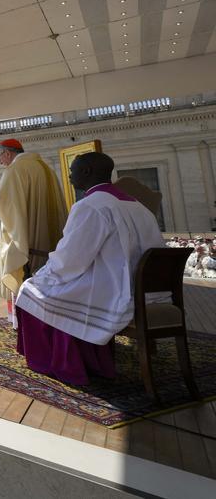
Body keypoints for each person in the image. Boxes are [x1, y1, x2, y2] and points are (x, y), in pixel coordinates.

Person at [14, 152, 164, 384]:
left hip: (115, 294)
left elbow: (69, 261)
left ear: (86, 172)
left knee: (29, 290)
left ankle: (68, 362)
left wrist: (40, 275)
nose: (70, 176)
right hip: (149, 293)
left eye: (72, 170)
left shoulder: (90, 206)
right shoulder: (139, 207)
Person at [0, 138, 67, 320]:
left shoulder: (14, 170)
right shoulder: (44, 167)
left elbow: (9, 209)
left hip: (28, 241)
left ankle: (25, 321)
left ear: (7, 153)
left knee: (24, 274)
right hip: (49, 238)